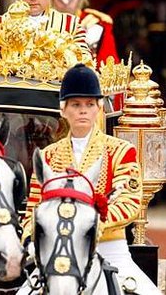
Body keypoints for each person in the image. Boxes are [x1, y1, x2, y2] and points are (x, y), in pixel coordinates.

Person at [20, 63, 159, 293]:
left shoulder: (121, 151)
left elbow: (129, 202)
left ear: (98, 109)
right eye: (76, 104)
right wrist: (31, 240)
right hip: (57, 253)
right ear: (63, 110)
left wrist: (88, 225)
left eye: (89, 104)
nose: (83, 110)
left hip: (110, 249)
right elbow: (33, 210)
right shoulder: (46, 157)